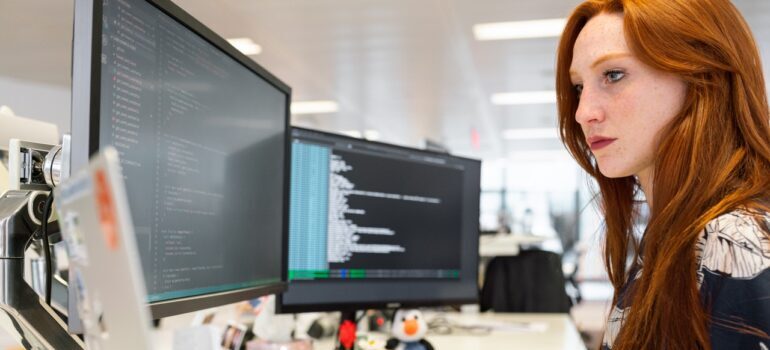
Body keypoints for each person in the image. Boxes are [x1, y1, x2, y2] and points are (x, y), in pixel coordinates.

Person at [556, 0, 770, 349]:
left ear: (702, 75)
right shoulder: (675, 235)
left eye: (613, 75)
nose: (582, 113)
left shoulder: (731, 239)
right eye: (579, 86)